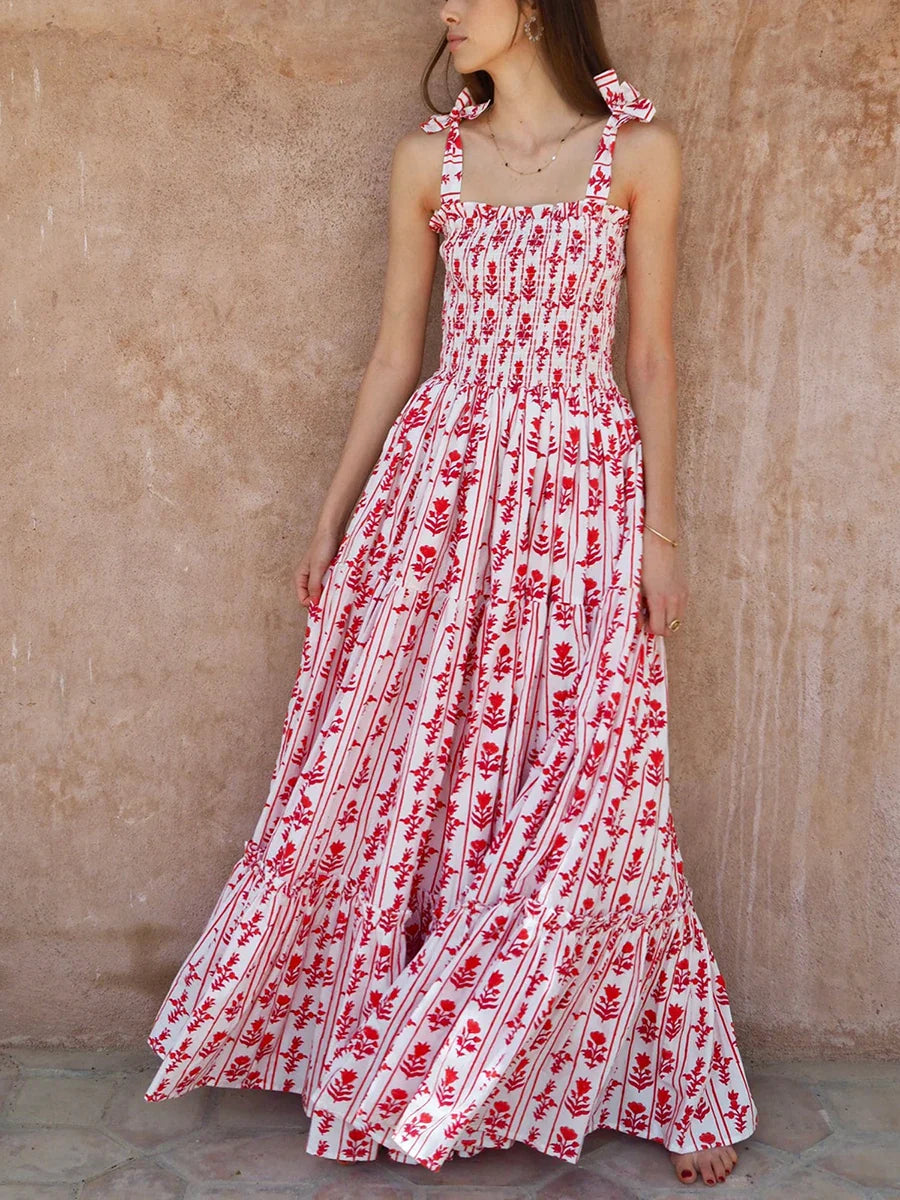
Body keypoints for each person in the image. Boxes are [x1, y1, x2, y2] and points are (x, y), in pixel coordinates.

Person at [145, 0, 759, 1188]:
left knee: (600, 784)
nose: (444, 13)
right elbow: (394, 350)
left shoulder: (642, 153)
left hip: (584, 493)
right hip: (442, 491)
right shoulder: (431, 159)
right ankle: (414, 1053)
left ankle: (674, 1076)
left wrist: (664, 532)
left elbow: (652, 355)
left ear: (531, 6)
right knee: (414, 770)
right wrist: (331, 508)